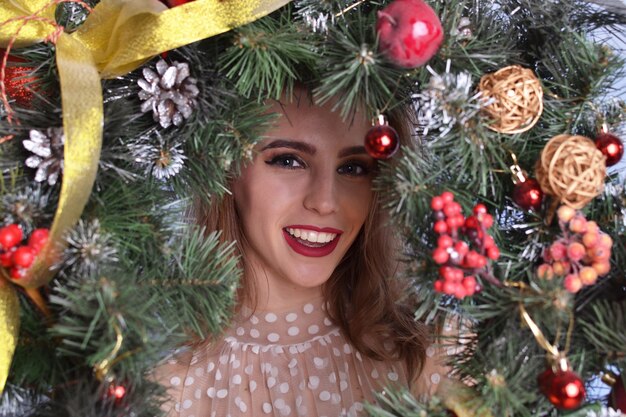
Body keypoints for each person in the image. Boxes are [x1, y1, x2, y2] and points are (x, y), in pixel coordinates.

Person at [154, 87, 447, 417]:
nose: (325, 202)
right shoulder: (152, 380)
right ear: (225, 169)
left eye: (353, 168)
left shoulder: (431, 355)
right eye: (288, 161)